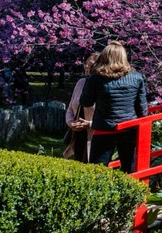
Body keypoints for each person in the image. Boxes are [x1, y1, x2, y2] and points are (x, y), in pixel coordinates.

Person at [81, 41, 148, 173]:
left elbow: (86, 102)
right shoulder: (137, 77)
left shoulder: (95, 79)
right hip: (129, 127)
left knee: (97, 170)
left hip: (104, 128)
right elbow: (142, 108)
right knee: (130, 169)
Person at [63, 51, 99, 161]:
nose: (87, 67)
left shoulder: (103, 86)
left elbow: (107, 113)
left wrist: (90, 124)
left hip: (95, 135)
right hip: (78, 134)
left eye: (90, 64)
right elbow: (70, 108)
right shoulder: (81, 83)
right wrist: (70, 122)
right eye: (86, 64)